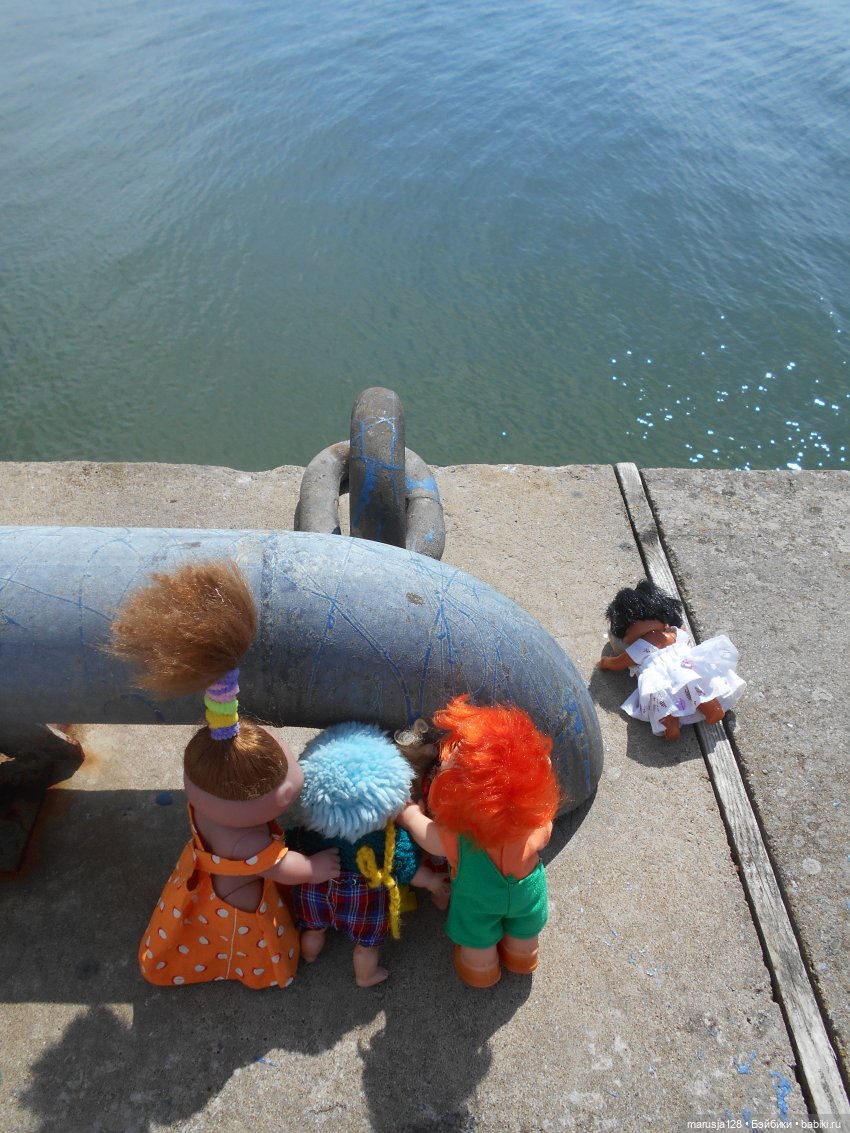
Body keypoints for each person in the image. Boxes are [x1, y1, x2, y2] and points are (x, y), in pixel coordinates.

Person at [110, 559, 339, 988]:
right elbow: (281, 868)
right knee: (247, 941)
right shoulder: (247, 839)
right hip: (241, 898)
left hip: (207, 869)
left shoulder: (208, 803)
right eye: (283, 787)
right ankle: (260, 973)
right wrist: (315, 868)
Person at [397, 695, 560, 988]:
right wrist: (541, 767)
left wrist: (409, 814)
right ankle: (523, 955)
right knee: (525, 928)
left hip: (477, 901)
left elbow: (426, 835)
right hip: (527, 895)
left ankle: (481, 968)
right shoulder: (531, 825)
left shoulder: (457, 837)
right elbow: (546, 826)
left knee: (477, 936)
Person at [287, 721, 450, 987]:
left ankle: (310, 953)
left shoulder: (312, 831)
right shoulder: (385, 839)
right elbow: (406, 868)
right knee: (365, 947)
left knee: (313, 928)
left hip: (316, 891)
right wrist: (432, 882)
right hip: (363, 901)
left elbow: (291, 842)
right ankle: (365, 976)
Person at [598, 579, 745, 740]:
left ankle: (671, 727)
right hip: (687, 671)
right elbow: (684, 634)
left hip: (660, 680)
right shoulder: (673, 635)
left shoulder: (641, 646)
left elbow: (619, 663)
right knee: (699, 690)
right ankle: (713, 709)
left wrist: (605, 662)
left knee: (664, 704)